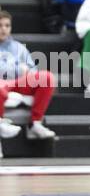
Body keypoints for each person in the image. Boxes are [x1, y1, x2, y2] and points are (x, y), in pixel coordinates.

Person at [0, 11, 58, 141]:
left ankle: (35, 123)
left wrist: (25, 73)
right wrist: (19, 69)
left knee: (47, 78)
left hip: (17, 84)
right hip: (2, 85)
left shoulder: (19, 48)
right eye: (0, 25)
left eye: (7, 25)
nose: (4, 29)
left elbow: (32, 70)